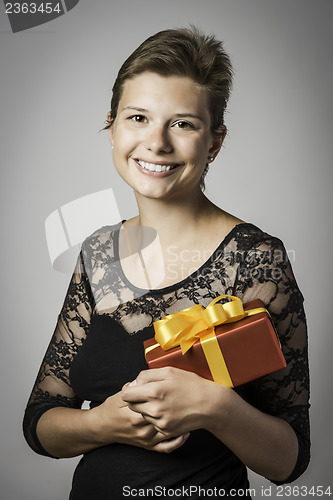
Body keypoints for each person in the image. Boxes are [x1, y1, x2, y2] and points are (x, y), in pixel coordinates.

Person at [23, 27, 310, 499]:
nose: (156, 142)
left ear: (214, 141)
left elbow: (290, 460)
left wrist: (218, 408)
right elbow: (39, 421)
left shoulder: (258, 260)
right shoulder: (98, 253)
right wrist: (102, 424)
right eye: (138, 117)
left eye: (182, 123)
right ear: (112, 125)